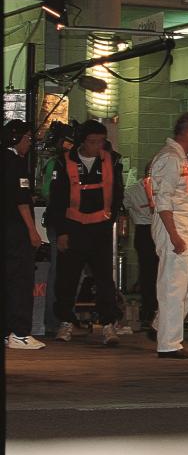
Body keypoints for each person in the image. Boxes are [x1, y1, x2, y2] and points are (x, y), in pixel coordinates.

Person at [47, 120, 124, 346]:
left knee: (104, 279)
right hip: (73, 229)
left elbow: (117, 194)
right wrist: (62, 232)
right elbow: (57, 200)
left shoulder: (112, 161)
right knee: (67, 279)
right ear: (82, 141)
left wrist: (112, 221)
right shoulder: (63, 162)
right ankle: (65, 322)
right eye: (92, 142)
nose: (97, 146)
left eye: (101, 142)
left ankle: (108, 324)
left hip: (100, 230)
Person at [150, 112, 188, 359]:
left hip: (185, 229)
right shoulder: (170, 158)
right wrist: (174, 235)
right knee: (173, 285)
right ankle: (169, 343)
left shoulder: (180, 158)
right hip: (173, 228)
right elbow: (162, 200)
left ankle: (161, 326)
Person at [3, 120, 45, 350]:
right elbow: (21, 201)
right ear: (15, 138)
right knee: (20, 281)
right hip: (15, 232)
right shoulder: (16, 163)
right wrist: (32, 231)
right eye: (28, 138)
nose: (29, 143)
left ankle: (6, 332)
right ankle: (19, 333)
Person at [39, 121, 75, 336]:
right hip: (64, 222)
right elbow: (48, 192)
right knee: (60, 271)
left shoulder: (58, 163)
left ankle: (60, 318)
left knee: (63, 271)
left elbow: (45, 191)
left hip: (62, 221)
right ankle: (56, 319)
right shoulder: (58, 164)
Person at [124, 161, 159, 329]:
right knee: (148, 272)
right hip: (144, 230)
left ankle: (158, 310)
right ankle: (149, 310)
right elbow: (123, 207)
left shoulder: (163, 188)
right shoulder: (132, 191)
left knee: (162, 272)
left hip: (161, 229)